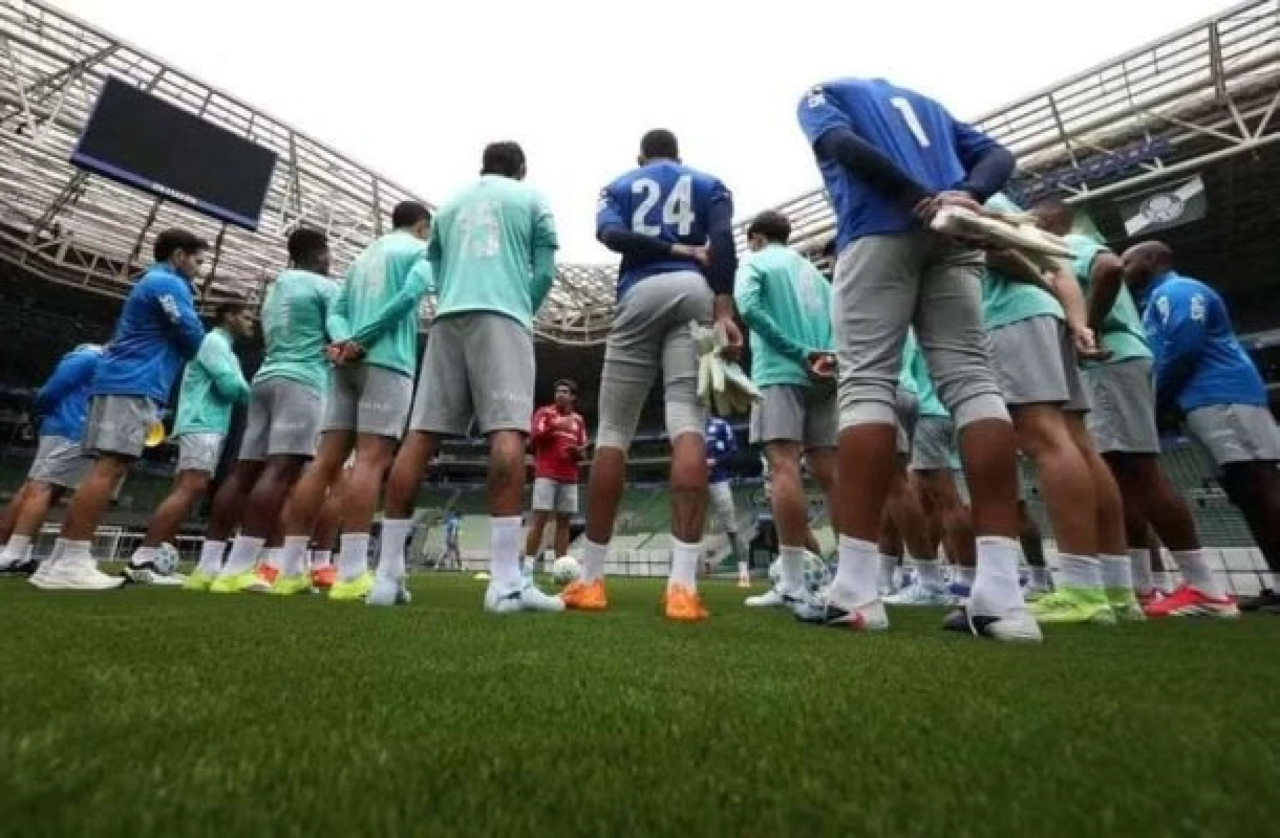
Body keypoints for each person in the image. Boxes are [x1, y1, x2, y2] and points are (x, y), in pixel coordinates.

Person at [795, 78, 1038, 640]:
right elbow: (1000, 156)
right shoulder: (930, 105)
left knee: (865, 387)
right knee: (975, 383)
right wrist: (966, 195)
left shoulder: (824, 91)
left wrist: (917, 199)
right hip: (954, 238)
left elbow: (841, 145)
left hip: (878, 228)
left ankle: (855, 591)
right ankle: (1002, 597)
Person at [564, 128, 739, 622]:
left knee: (613, 432)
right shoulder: (709, 183)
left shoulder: (618, 185)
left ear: (640, 157)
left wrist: (670, 249)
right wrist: (724, 309)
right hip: (695, 290)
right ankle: (683, 587)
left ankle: (591, 580)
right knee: (687, 422)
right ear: (679, 155)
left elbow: (612, 236)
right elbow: (724, 242)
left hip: (640, 291)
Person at [376, 142, 559, 612]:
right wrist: (521, 309)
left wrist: (457, 293)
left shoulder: (449, 205)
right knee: (507, 431)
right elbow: (544, 272)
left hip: (448, 317)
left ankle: (387, 576)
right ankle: (505, 581)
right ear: (521, 168)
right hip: (503, 315)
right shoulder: (532, 199)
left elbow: (434, 267)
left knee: (420, 435)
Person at [1033, 201, 1235, 618]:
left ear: (1048, 222)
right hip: (1115, 363)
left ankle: (1205, 587)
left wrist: (1087, 328)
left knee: (1137, 471)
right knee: (1118, 474)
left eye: (1033, 220)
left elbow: (1109, 268)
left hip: (1111, 360)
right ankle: (1141, 584)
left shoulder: (1070, 244)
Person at [975, 192, 1138, 624]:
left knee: (1044, 440)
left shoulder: (973, 199)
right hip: (1052, 319)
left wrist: (1027, 276)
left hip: (1011, 315)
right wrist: (1080, 323)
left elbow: (1002, 255)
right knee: (1080, 444)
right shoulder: (1008, 205)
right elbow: (1061, 270)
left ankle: (1083, 590)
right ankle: (1117, 588)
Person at [267, 203, 432, 603]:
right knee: (370, 461)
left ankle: (289, 571)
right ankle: (353, 572)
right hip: (387, 361)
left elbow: (337, 311)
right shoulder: (420, 251)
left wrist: (344, 341)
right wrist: (364, 339)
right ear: (422, 226)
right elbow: (411, 296)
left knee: (324, 462)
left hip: (345, 365)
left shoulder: (362, 257)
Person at [31, 228, 206, 591]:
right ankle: (71, 561)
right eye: (198, 261)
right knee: (109, 468)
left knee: (106, 468)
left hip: (125, 380)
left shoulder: (154, 282)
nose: (200, 271)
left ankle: (61, 560)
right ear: (178, 255)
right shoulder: (167, 283)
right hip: (134, 382)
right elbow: (192, 337)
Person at [1122, 240, 1275, 613]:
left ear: (1152, 259)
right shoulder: (1152, 302)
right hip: (1200, 401)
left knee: (1259, 483)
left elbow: (1185, 347)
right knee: (1245, 490)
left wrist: (1156, 400)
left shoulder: (1178, 290)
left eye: (1128, 262)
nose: (1123, 270)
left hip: (1224, 395)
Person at [195, 228, 338, 594]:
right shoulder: (324, 287)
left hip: (265, 378)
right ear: (319, 254)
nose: (330, 260)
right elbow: (341, 333)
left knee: (244, 472)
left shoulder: (276, 288)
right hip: (302, 381)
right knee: (282, 471)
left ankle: (209, 566)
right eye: (328, 254)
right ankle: (241, 567)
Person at [734, 210, 838, 609]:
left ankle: (792, 581)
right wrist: (825, 358)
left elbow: (747, 307)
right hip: (823, 374)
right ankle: (852, 575)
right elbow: (840, 319)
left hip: (780, 371)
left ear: (756, 238)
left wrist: (797, 352)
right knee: (831, 473)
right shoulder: (815, 274)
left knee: (783, 466)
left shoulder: (756, 262)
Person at [125, 302, 253, 584]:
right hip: (202, 422)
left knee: (186, 487)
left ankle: (156, 561)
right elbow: (231, 387)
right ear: (228, 317)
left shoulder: (224, 347)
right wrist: (252, 393)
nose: (251, 322)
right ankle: (143, 558)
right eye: (245, 316)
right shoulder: (214, 343)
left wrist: (243, 389)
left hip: (206, 423)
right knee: (192, 486)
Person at [0, 344, 104, 575]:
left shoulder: (95, 359)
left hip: (66, 427)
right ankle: (12, 553)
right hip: (69, 428)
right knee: (42, 488)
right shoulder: (89, 357)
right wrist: (40, 412)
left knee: (38, 488)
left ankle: (17, 552)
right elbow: (51, 391)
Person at [890, 334, 977, 605]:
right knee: (930, 502)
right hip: (952, 414)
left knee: (947, 500)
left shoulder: (919, 333)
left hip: (928, 414)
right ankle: (936, 574)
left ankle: (967, 578)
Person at [523, 378, 587, 574]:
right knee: (540, 519)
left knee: (564, 521)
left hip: (570, 476)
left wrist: (577, 453)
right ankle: (527, 567)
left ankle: (560, 568)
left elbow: (583, 452)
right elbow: (534, 438)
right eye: (558, 391)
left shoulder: (578, 420)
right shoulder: (544, 413)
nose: (560, 394)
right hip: (546, 474)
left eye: (565, 392)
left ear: (573, 397)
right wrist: (555, 424)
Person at [705, 415, 748, 576]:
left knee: (731, 526)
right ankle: (688, 572)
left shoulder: (721, 425)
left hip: (718, 480)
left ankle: (743, 570)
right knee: (692, 524)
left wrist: (715, 461)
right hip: (695, 483)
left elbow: (733, 451)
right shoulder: (689, 425)